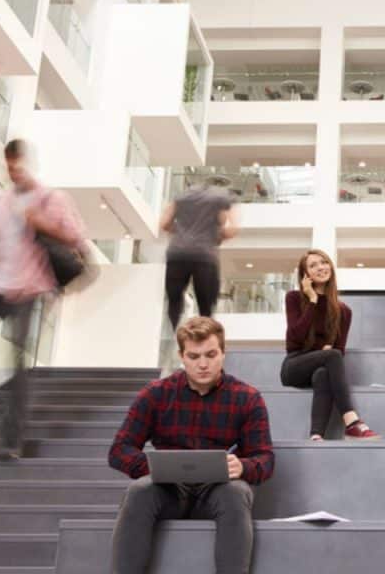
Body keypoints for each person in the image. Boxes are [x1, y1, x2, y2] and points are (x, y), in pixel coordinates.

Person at [108, 316, 273, 574]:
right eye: (194, 357)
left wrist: (243, 466)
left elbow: (265, 458)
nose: (203, 364)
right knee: (139, 491)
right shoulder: (156, 393)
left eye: (211, 354)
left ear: (223, 353)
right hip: (166, 491)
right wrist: (154, 468)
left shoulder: (247, 398)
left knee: (236, 493)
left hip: (217, 491)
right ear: (181, 356)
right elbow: (119, 450)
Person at [0, 139, 85, 461]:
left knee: (16, 361)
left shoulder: (49, 198)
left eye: (18, 165)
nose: (14, 171)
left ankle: (10, 440)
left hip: (26, 288)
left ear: (28, 163)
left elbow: (75, 236)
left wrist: (39, 221)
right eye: (9, 166)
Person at [281, 249, 379, 440]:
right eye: (313, 265)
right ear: (305, 275)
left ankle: (316, 435)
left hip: (320, 366)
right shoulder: (294, 298)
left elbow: (339, 350)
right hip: (294, 365)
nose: (320, 267)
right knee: (331, 356)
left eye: (324, 262)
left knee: (323, 373)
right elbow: (296, 337)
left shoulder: (343, 311)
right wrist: (312, 301)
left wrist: (325, 353)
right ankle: (351, 421)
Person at [160, 177, 237, 331]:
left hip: (177, 253)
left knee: (174, 301)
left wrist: (181, 232)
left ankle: (172, 339)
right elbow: (230, 229)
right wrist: (215, 234)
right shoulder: (222, 198)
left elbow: (164, 223)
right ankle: (205, 341)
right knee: (206, 308)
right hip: (205, 256)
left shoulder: (182, 196)